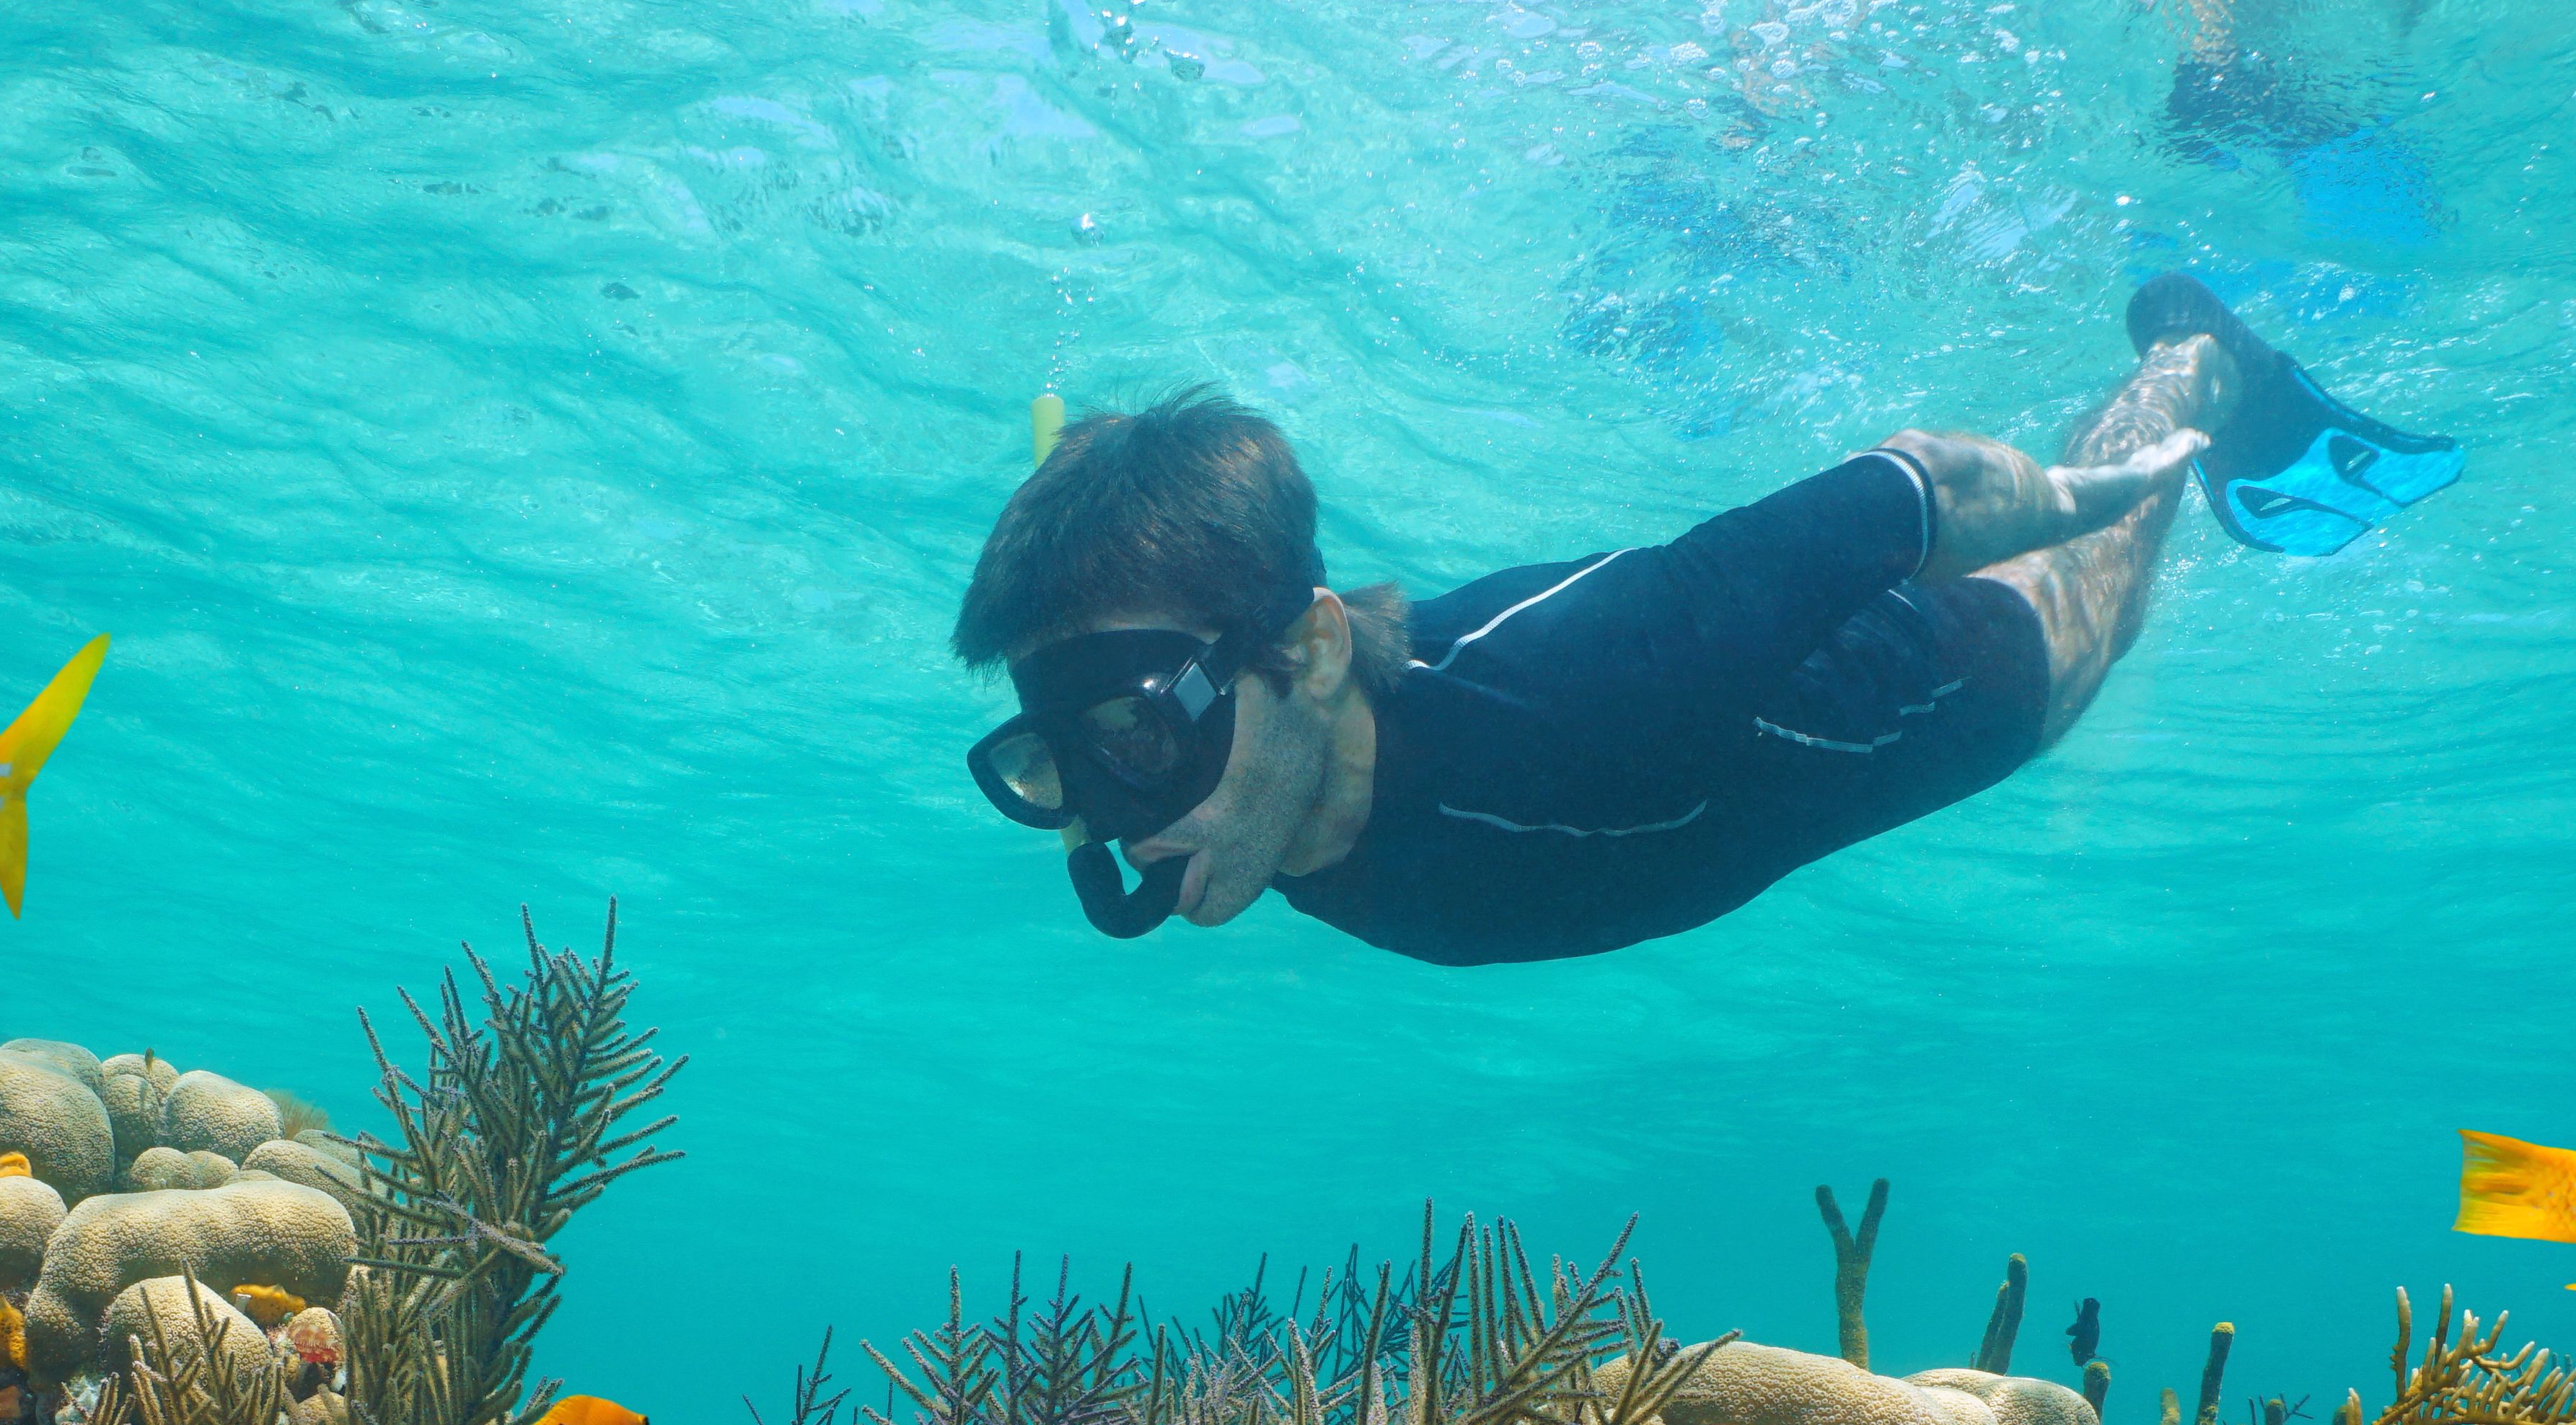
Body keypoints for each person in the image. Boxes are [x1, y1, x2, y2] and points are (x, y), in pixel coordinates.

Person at [954, 274, 2452, 960]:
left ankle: (2199, 362)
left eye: (1137, 736)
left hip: (1943, 684)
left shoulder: (1585, 676)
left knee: (2097, 609)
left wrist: (2098, 493)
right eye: (1049, 765)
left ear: (1313, 649)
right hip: (1721, 763)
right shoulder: (1245, 801)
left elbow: (1911, 488)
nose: (1105, 823)